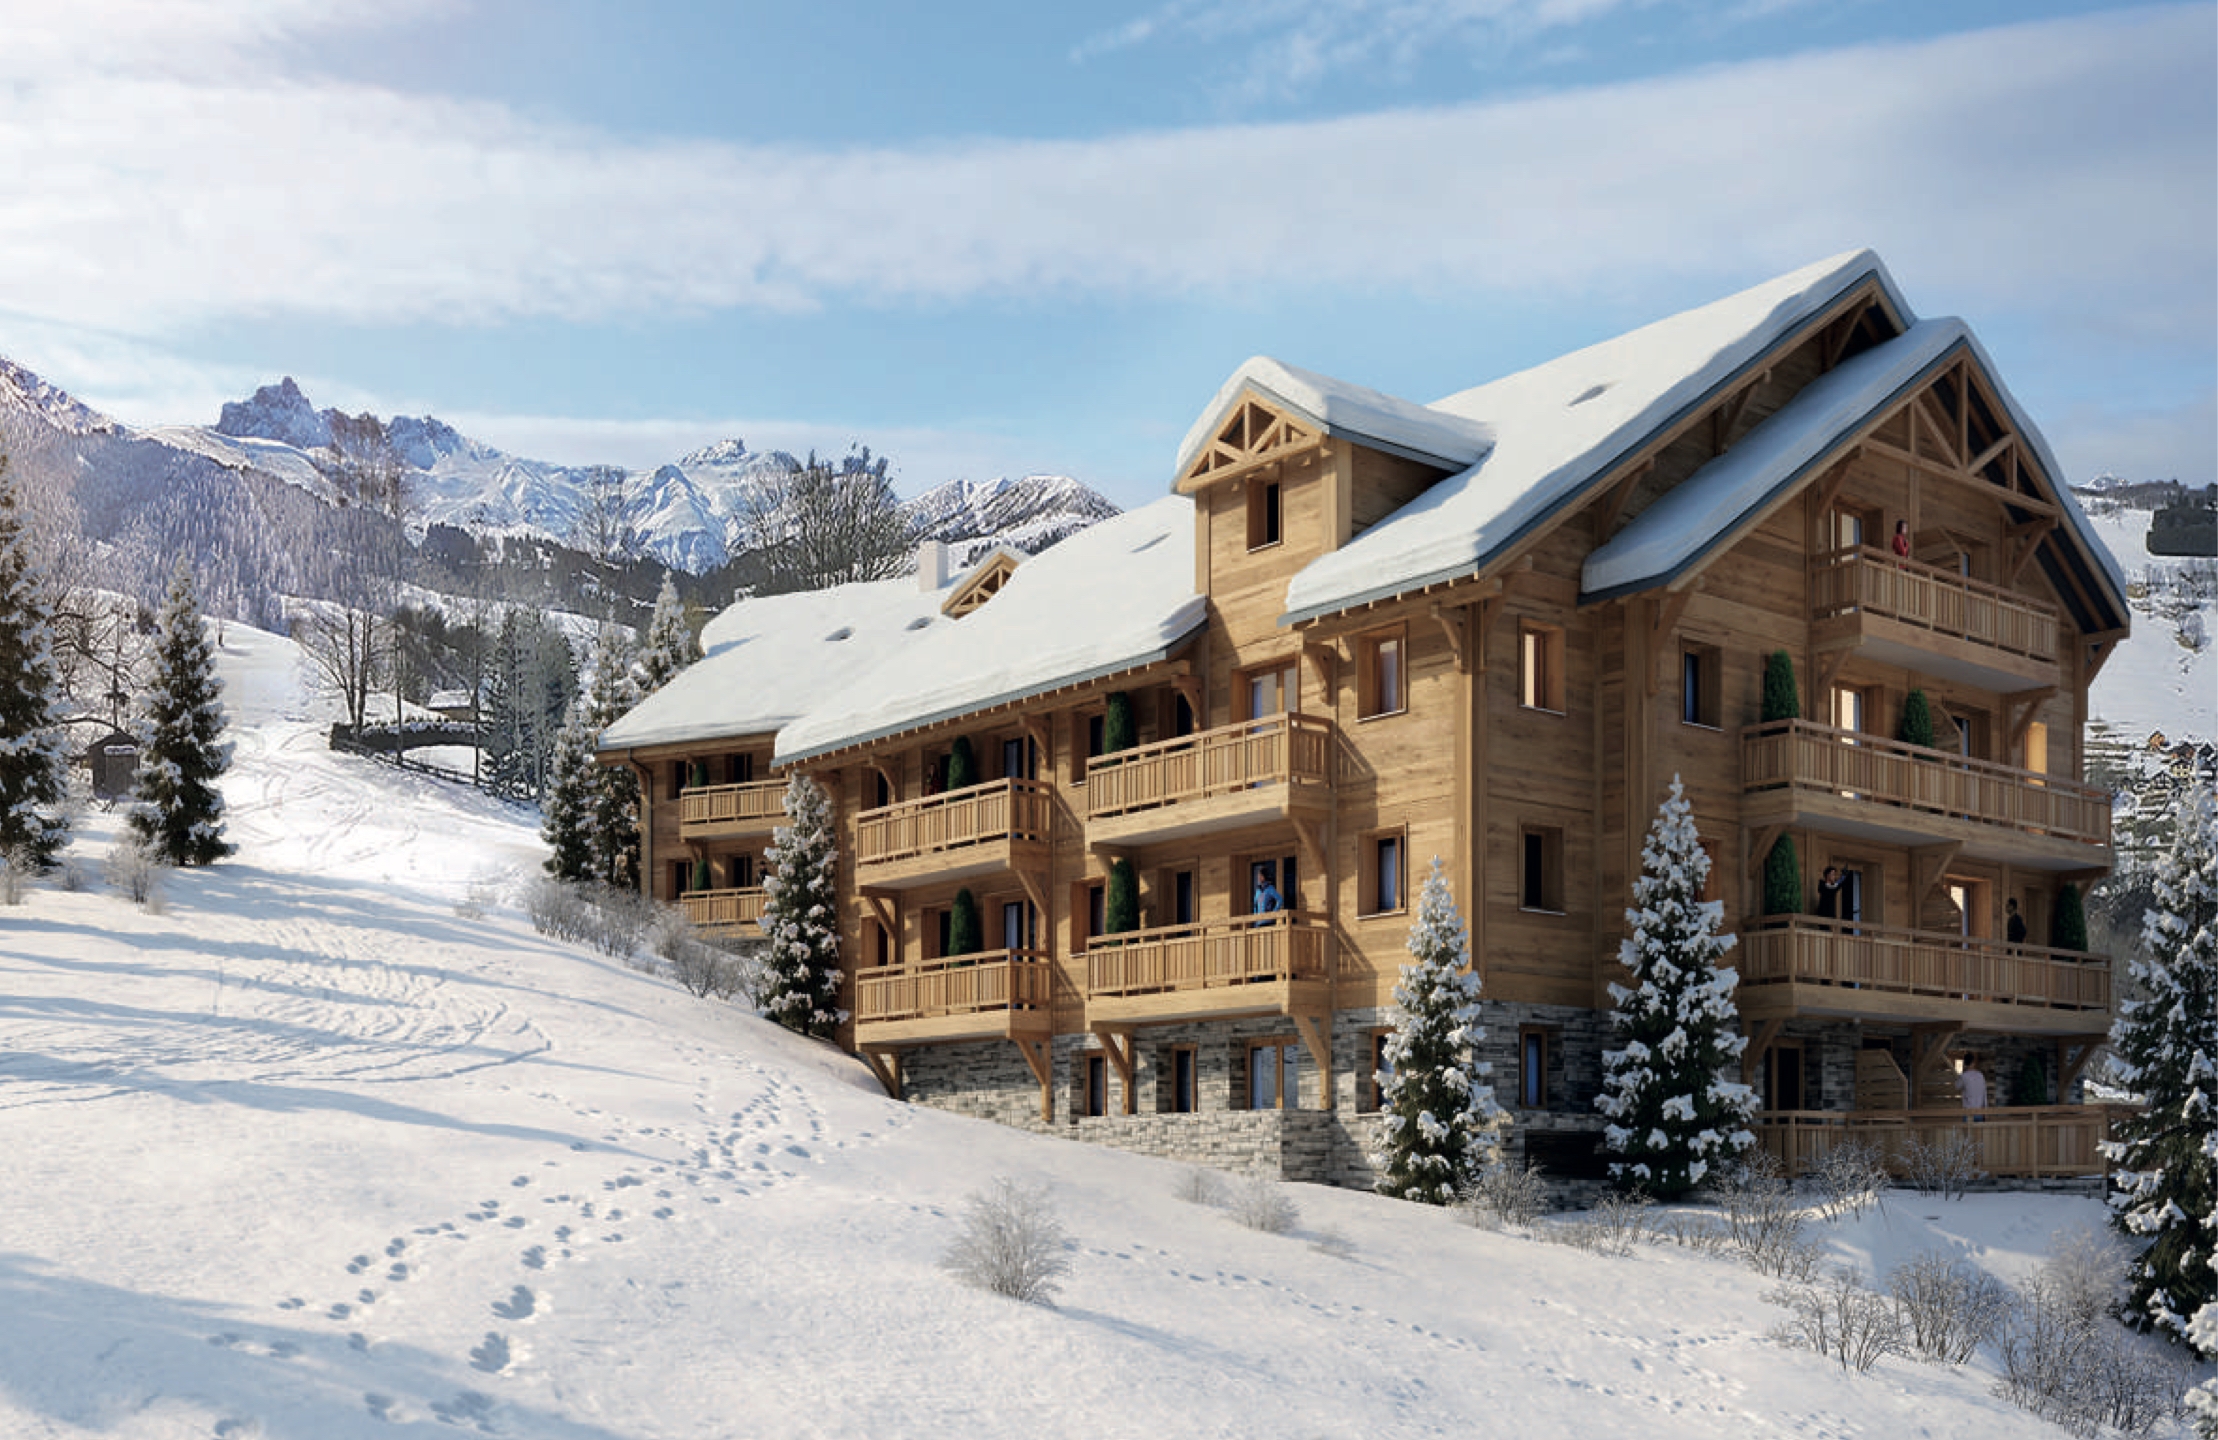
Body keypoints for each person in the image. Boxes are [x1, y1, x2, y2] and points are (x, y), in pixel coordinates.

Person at [1960, 1055, 1987, 1119]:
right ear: (1973, 1063)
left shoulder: (1964, 1076)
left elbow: (1957, 1086)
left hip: (1968, 1111)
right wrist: (1985, 1109)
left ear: (1965, 1064)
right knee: (1979, 1129)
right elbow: (1984, 1093)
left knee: (1967, 1128)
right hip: (1979, 1110)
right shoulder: (1980, 1075)